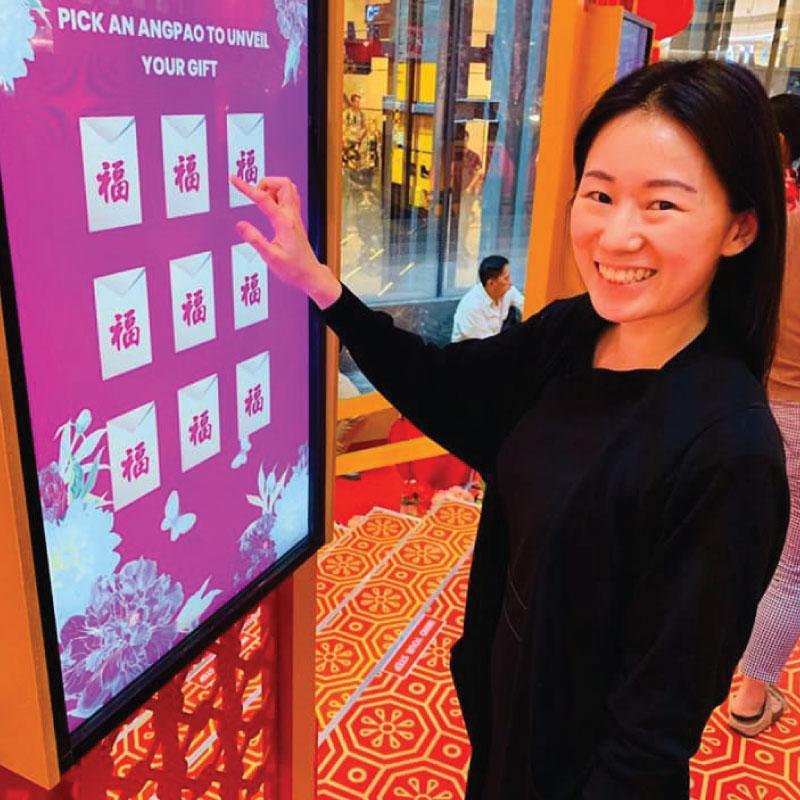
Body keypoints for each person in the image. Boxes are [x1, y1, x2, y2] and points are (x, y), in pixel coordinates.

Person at [231, 58, 789, 799]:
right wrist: (321, 284)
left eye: (662, 205)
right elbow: (448, 390)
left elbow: (649, 735)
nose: (617, 235)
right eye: (600, 194)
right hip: (507, 725)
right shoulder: (573, 332)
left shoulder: (729, 451)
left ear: (739, 228)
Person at [727, 92, 800, 737]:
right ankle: (750, 698)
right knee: (792, 566)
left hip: (751, 396)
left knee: (753, 536)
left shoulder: (779, 224)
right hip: (795, 409)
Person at [451, 255, 525, 342]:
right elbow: (488, 345)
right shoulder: (472, 307)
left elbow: (526, 306)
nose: (510, 282)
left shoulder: (508, 290)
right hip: (475, 348)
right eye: (506, 278)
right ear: (491, 283)